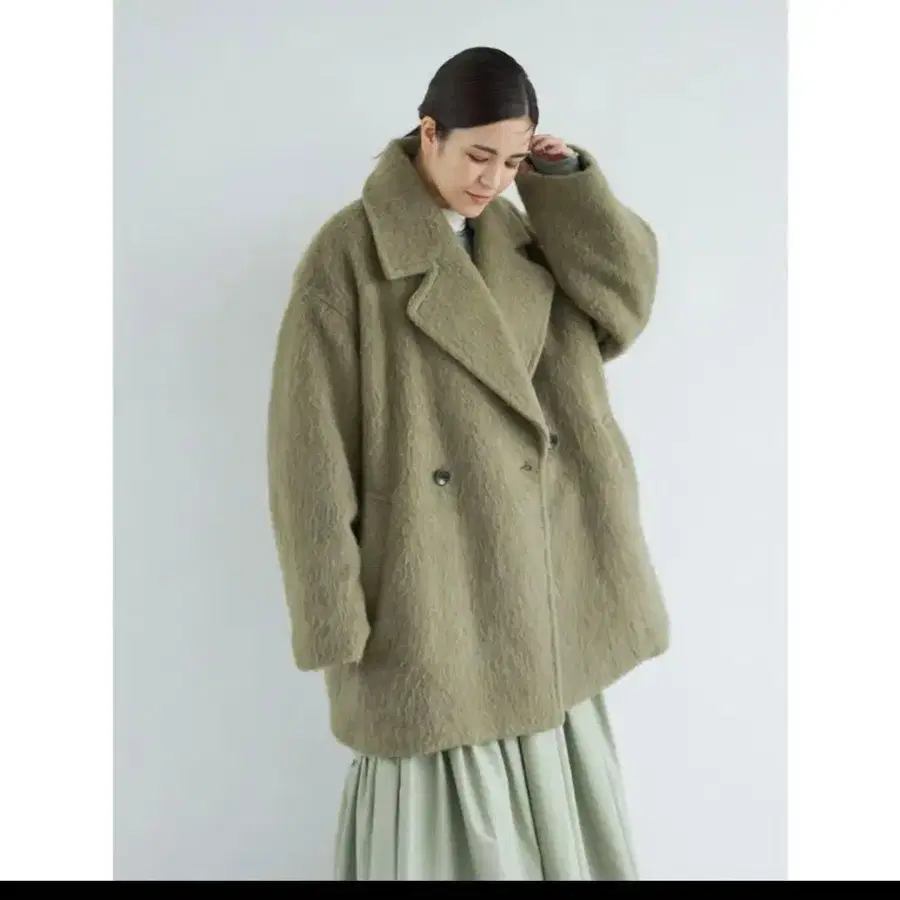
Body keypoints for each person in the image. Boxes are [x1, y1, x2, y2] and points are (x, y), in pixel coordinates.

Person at [266, 46, 670, 881]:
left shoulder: (522, 236)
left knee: (556, 804)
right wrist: (335, 616)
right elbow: (307, 454)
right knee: (437, 801)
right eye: (478, 154)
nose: (492, 179)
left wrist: (563, 186)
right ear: (430, 132)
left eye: (511, 161)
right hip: (431, 588)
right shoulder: (349, 256)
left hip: (546, 578)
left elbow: (624, 307)